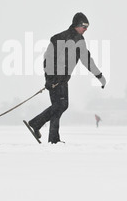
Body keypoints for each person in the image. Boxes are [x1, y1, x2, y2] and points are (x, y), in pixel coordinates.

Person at [25, 13, 107, 143]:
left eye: (87, 27)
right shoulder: (58, 38)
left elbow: (86, 60)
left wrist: (99, 75)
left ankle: (53, 139)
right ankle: (37, 124)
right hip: (55, 80)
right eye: (84, 26)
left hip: (63, 80)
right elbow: (48, 59)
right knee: (61, 105)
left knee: (58, 107)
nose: (86, 29)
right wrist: (49, 79)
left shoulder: (80, 41)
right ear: (77, 25)